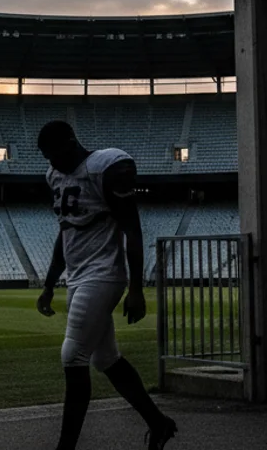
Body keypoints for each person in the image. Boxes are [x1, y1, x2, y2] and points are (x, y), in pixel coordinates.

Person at [36, 120, 177, 450]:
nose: (50, 162)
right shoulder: (55, 176)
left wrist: (137, 289)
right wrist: (49, 284)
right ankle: (159, 424)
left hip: (104, 273)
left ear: (70, 144)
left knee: (73, 354)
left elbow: (132, 228)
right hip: (79, 275)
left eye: (53, 154)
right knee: (105, 358)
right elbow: (65, 231)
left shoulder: (105, 167)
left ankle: (65, 447)